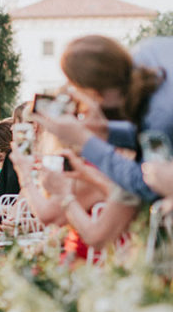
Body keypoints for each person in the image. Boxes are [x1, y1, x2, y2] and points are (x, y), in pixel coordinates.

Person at [34, 35, 173, 201]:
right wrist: (106, 131)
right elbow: (146, 131)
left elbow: (148, 183)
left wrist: (84, 141)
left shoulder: (160, 115)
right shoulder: (149, 49)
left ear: (94, 94)